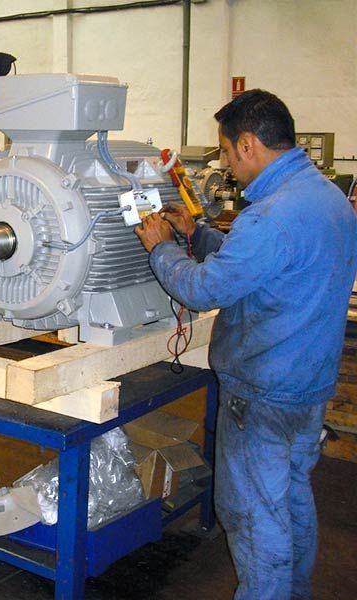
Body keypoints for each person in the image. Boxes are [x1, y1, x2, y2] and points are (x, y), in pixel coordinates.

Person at [134, 89, 357, 599]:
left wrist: (161, 248)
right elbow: (267, 268)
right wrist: (198, 233)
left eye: (229, 153)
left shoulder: (270, 216)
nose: (230, 166)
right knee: (291, 499)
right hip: (307, 386)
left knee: (256, 519)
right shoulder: (325, 199)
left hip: (262, 394)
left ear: (250, 143)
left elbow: (204, 288)